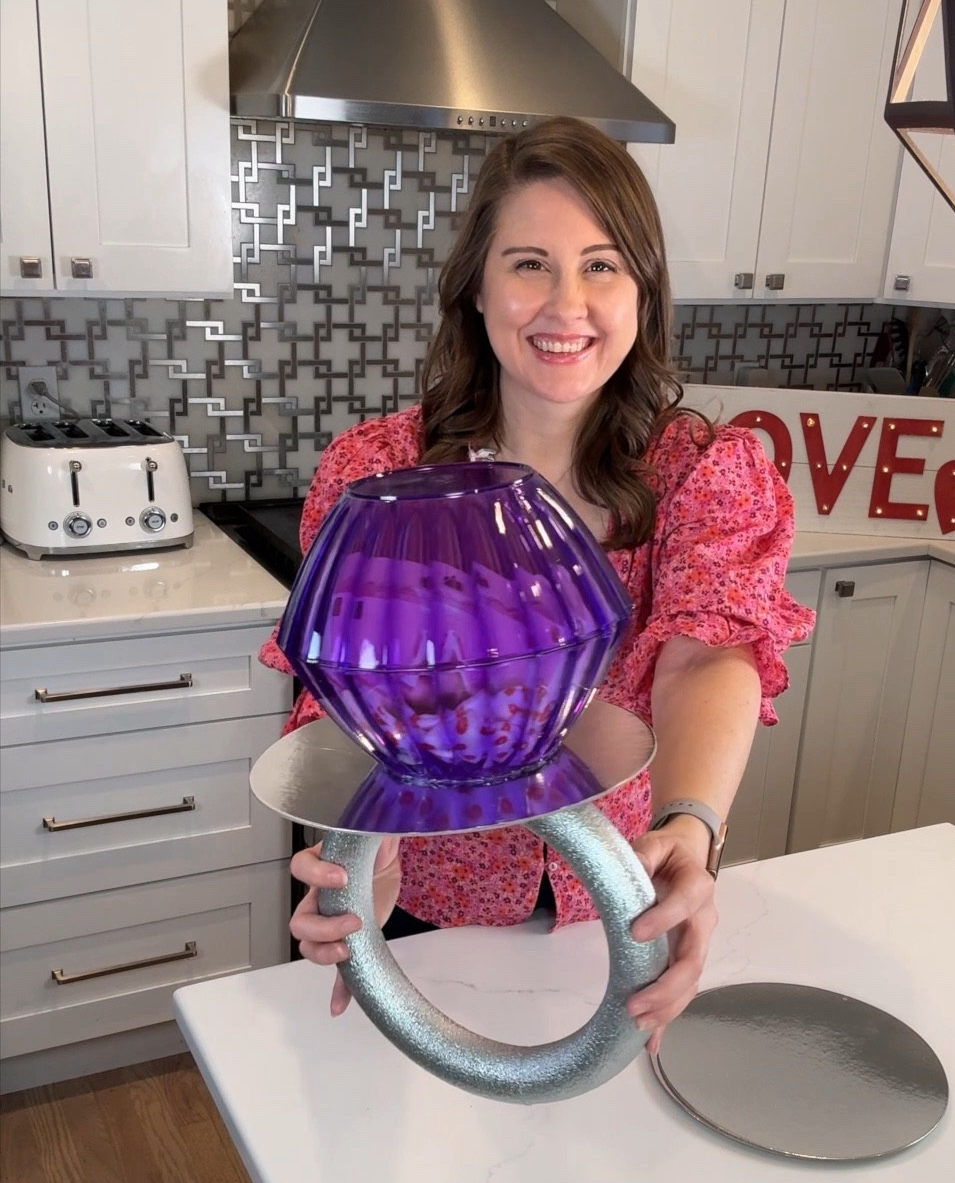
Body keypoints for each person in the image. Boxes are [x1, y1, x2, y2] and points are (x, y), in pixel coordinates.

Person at [262, 117, 814, 1052]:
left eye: (602, 265)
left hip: (620, 900)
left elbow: (706, 658)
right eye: (529, 264)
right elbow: (346, 704)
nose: (568, 304)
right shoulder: (380, 478)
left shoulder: (703, 473)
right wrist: (366, 863)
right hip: (424, 913)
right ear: (476, 288)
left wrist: (693, 827)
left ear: (643, 292)